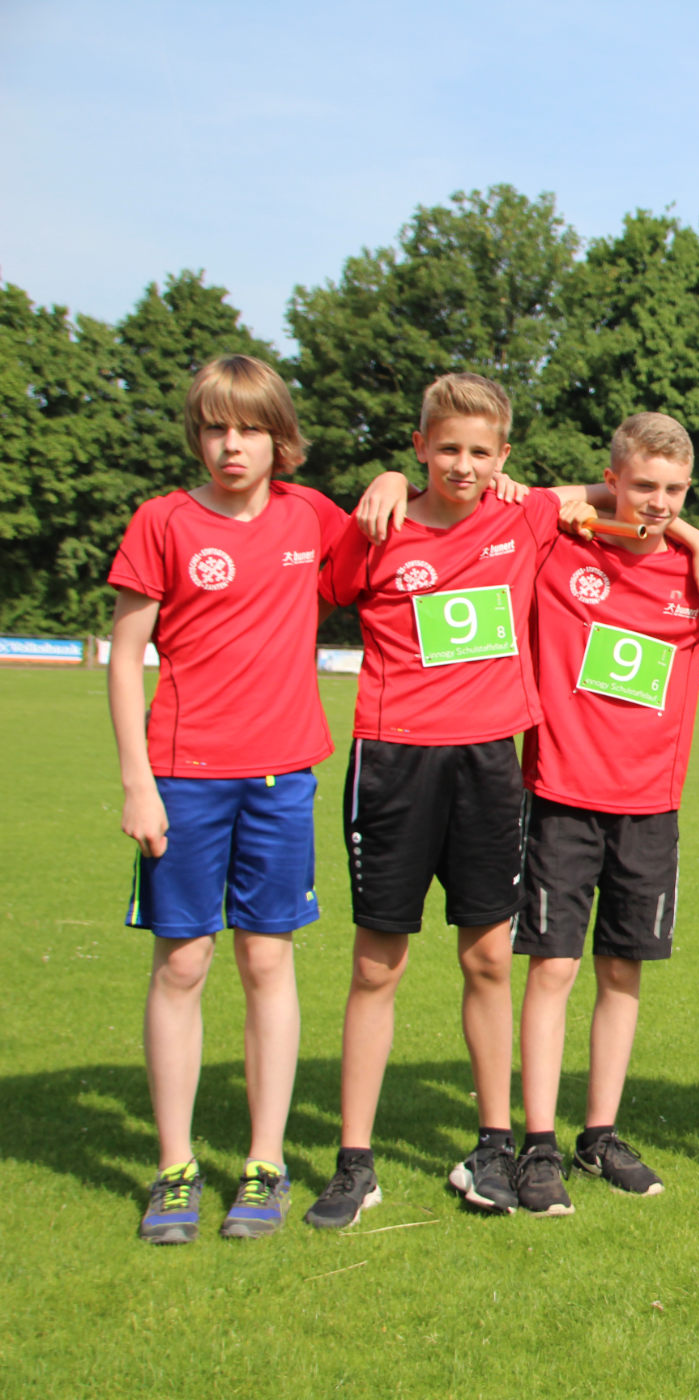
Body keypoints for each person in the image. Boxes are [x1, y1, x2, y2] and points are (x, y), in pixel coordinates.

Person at [304, 373, 567, 1226]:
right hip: (393, 761)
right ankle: (354, 1162)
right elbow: (325, 584)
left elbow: (615, 494)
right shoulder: (378, 525)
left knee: (488, 959)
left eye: (480, 452)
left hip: (489, 765)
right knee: (377, 964)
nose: (462, 464)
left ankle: (492, 1149)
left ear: (504, 457)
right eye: (446, 447)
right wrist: (378, 488)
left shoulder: (523, 517)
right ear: (419, 446)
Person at [110, 354, 345, 1243]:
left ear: (281, 439)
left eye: (249, 429)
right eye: (215, 428)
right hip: (182, 777)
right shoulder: (162, 522)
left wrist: (391, 478)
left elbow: (429, 513)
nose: (231, 445)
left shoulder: (311, 516)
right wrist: (138, 781)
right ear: (197, 436)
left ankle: (264, 1162)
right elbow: (125, 658)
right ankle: (174, 1169)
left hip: (282, 778)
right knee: (181, 964)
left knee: (267, 963)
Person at [510, 413, 699, 1214]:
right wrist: (601, 506)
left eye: (675, 491)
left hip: (650, 809)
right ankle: (538, 1143)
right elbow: (509, 496)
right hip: (561, 796)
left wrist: (696, 541)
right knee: (553, 969)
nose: (658, 503)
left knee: (621, 971)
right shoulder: (561, 545)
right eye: (641, 486)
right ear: (611, 479)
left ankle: (598, 1136)